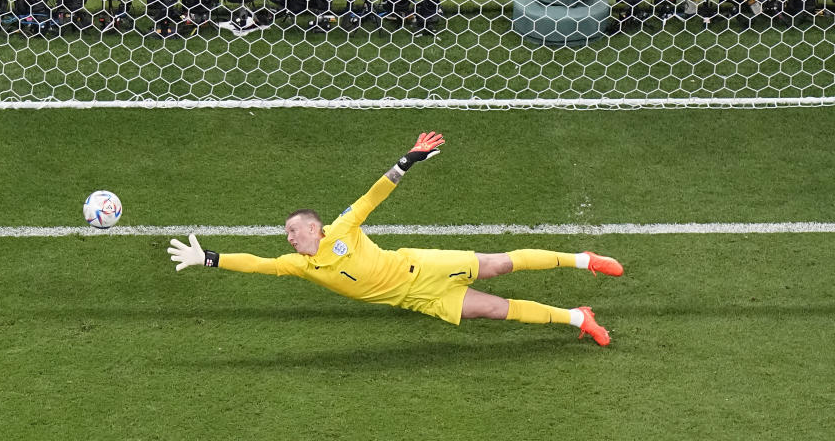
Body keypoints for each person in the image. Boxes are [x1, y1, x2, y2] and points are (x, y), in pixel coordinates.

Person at [167, 132, 623, 346]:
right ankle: (577, 318)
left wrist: (407, 160)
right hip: (418, 299)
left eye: (291, 230)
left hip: (422, 266)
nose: (287, 240)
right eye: (285, 236)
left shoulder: (342, 229)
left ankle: (582, 259)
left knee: (501, 264)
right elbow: (255, 263)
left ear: (313, 227)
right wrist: (207, 257)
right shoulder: (301, 266)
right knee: (493, 310)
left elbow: (372, 196)